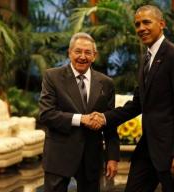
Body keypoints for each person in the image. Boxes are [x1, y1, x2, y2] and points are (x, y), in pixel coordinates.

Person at [89, 5, 174, 192]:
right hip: (147, 149)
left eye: (147, 22)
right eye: (137, 24)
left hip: (173, 151)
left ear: (162, 24)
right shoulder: (146, 59)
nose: (141, 28)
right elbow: (137, 104)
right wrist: (105, 118)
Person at [39, 32, 120, 192]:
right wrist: (81, 119)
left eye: (87, 52)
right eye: (78, 51)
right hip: (59, 155)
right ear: (69, 53)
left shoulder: (106, 83)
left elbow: (110, 122)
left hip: (91, 157)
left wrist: (112, 157)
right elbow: (46, 114)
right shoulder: (52, 77)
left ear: (94, 56)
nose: (82, 57)